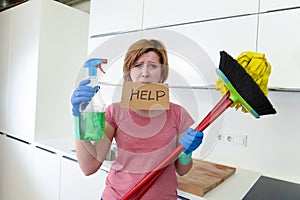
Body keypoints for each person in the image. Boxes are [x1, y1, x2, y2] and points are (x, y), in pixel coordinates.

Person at [71, 39, 204, 199]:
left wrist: (186, 153)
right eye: (138, 65)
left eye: (153, 66)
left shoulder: (178, 114)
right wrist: (78, 117)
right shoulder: (114, 112)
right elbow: (89, 166)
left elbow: (182, 170)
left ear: (162, 73)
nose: (145, 73)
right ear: (129, 72)